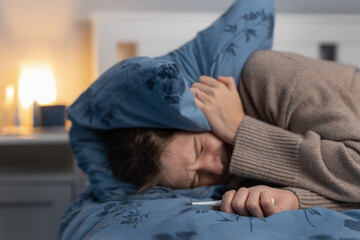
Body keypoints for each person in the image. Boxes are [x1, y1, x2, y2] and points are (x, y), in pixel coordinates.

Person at [105, 50, 360, 218]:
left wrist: (240, 130)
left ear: (198, 115)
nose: (215, 169)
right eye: (195, 179)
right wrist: (295, 200)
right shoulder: (237, 184)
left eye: (201, 148)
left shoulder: (266, 75)